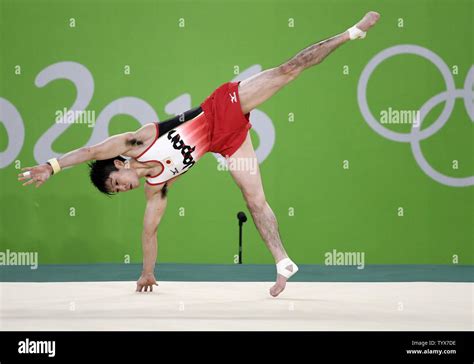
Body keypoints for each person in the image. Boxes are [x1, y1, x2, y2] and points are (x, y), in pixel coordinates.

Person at [18, 11, 380, 297]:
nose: (121, 189)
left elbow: (90, 149)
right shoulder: (155, 188)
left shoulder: (137, 141)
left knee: (287, 71)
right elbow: (149, 233)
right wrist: (147, 271)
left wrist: (53, 166)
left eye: (116, 182)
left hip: (221, 108)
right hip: (227, 143)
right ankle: (283, 261)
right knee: (255, 201)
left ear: (119, 164)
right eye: (116, 193)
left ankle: (352, 33)